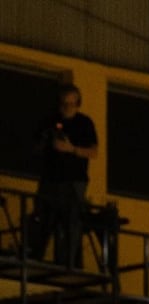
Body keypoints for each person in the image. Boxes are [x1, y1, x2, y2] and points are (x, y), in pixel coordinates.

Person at [29, 83, 98, 268]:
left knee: (70, 223)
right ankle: (35, 257)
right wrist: (47, 141)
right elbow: (34, 148)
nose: (67, 107)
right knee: (43, 219)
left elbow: (93, 152)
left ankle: (67, 264)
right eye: (64, 103)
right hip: (50, 180)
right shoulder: (49, 121)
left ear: (78, 103)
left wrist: (71, 149)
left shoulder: (84, 123)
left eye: (71, 103)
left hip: (74, 182)